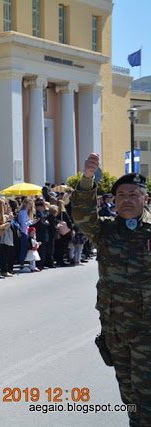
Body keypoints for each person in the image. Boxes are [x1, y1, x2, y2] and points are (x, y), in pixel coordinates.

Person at [71, 152, 151, 425]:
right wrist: (87, 179)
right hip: (115, 330)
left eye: (133, 194)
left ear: (145, 199)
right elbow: (81, 216)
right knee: (129, 397)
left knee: (145, 402)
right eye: (121, 196)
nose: (126, 200)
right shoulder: (106, 230)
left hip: (147, 331)